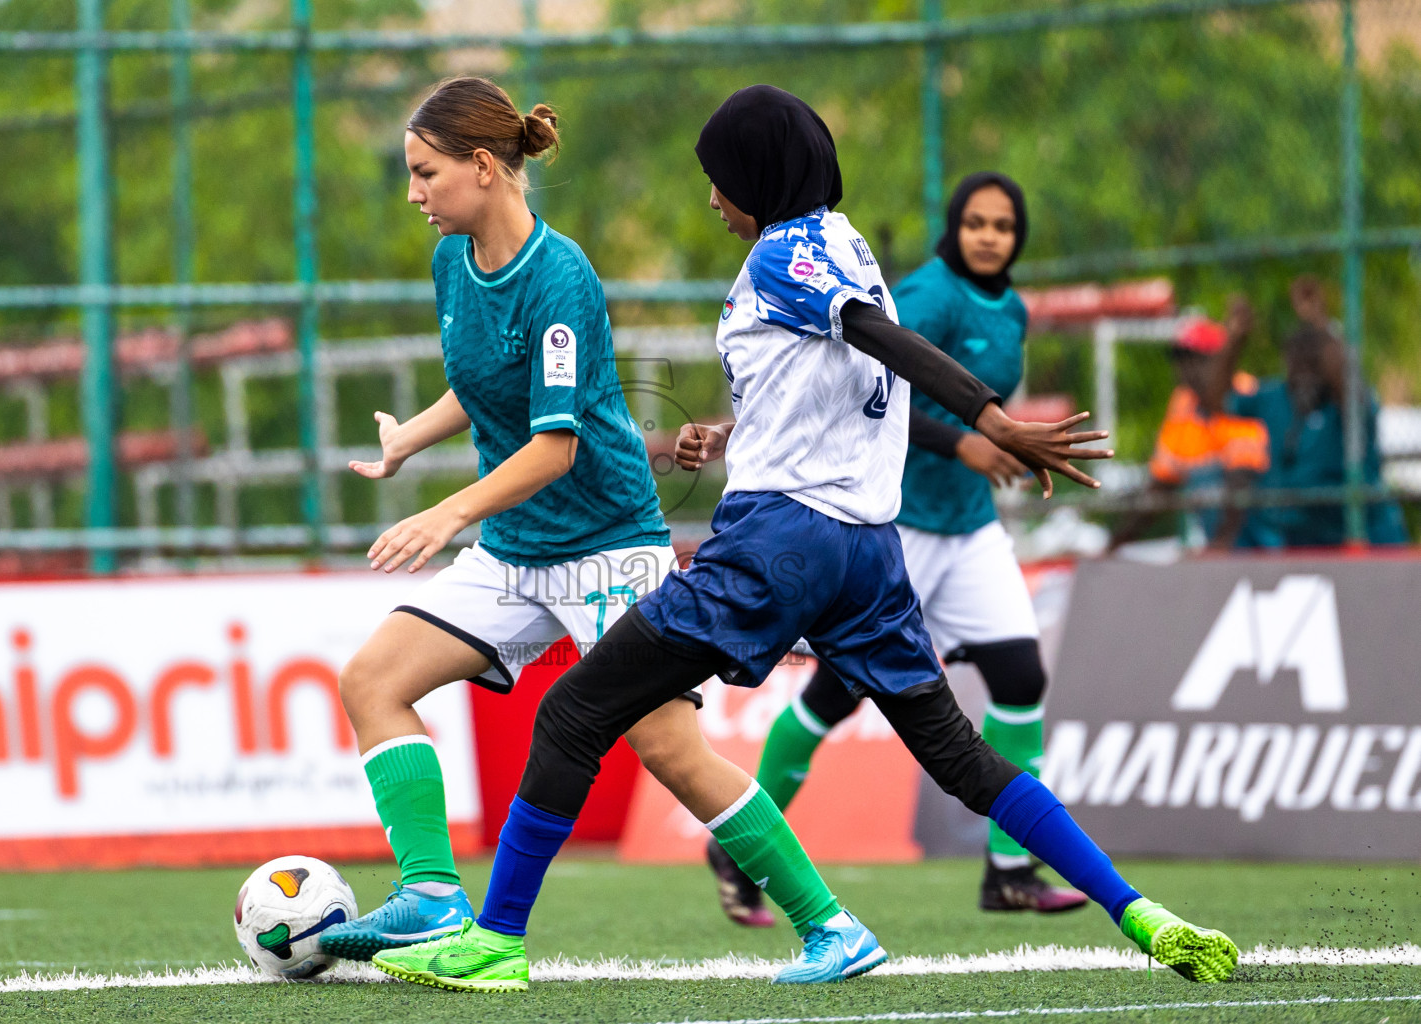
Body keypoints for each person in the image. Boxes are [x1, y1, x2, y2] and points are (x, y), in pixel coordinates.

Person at [371, 85, 1238, 992]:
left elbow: (875, 338)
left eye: (719, 180)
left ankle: (496, 939)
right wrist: (728, 436)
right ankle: (1136, 908)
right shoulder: (844, 240)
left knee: (574, 711)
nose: (713, 199)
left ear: (758, 176)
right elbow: (832, 371)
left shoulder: (783, 256)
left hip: (779, 547)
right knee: (963, 758)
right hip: (869, 551)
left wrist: (994, 419)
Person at [317, 77, 779, 962]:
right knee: (372, 681)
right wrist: (408, 440)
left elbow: (555, 447)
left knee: (670, 749)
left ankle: (829, 923)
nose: (412, 193)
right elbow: (489, 379)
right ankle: (430, 899)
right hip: (516, 549)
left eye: (424, 173)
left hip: (608, 547)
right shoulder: (452, 258)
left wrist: (445, 511)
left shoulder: (562, 275)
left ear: (483, 167)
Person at [706, 171, 1086, 929]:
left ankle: (1009, 870)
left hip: (971, 529)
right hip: (896, 522)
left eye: (1003, 226)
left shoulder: (1009, 307)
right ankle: (739, 844)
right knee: (836, 692)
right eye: (975, 222)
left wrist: (985, 451)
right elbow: (876, 385)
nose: (988, 236)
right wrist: (967, 442)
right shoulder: (929, 294)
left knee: (1020, 675)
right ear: (954, 227)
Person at [1230, 278, 1408, 547]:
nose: (1303, 375)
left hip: (1364, 534)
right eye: (1295, 364)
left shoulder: (1346, 402)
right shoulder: (1276, 398)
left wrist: (1320, 320)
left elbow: (1346, 378)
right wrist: (1235, 336)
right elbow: (1215, 401)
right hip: (1301, 537)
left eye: (1311, 364)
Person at [1107, 298, 1272, 552]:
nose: (1185, 369)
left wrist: (1221, 546)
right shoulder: (1183, 404)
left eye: (1195, 359)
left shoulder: (1243, 394)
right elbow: (1160, 488)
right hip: (1219, 537)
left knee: (1216, 481)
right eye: (1180, 360)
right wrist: (1114, 544)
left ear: (1219, 361)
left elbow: (1244, 484)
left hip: (1264, 532)